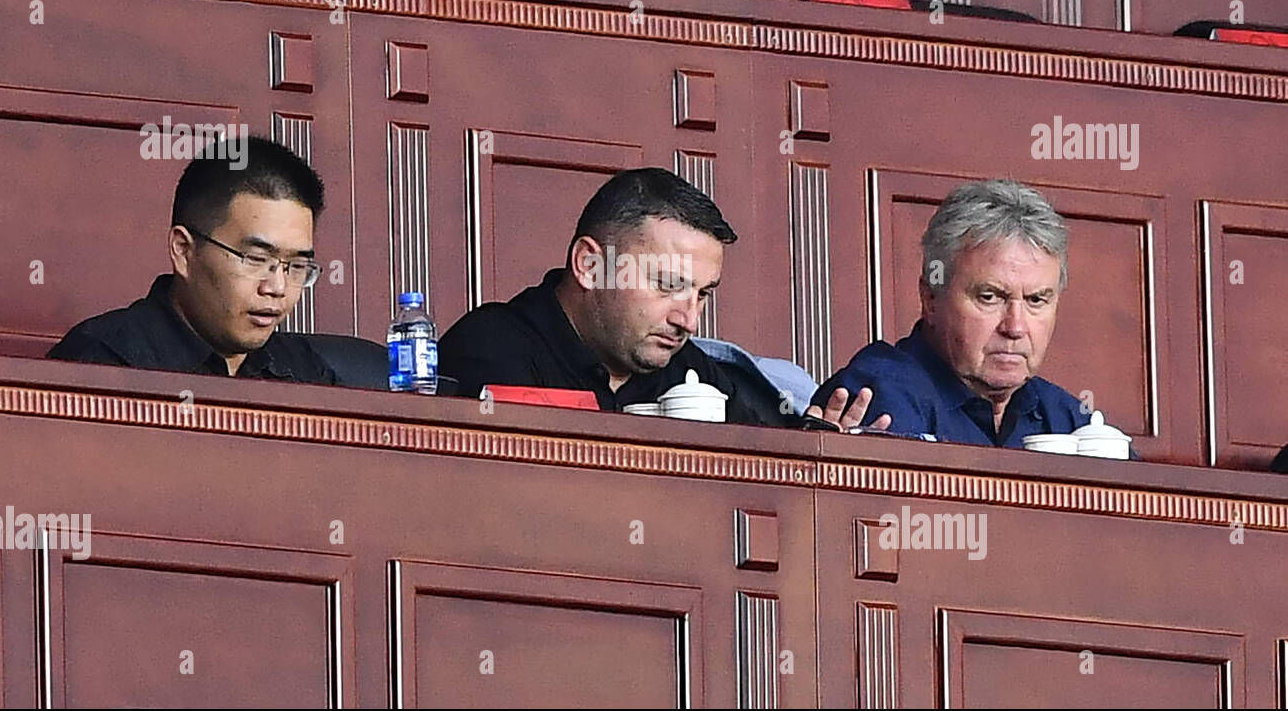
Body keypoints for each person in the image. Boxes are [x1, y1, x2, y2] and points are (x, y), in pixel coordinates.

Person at [441, 168, 827, 426]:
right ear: (590, 266)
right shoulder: (491, 346)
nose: (689, 321)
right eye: (667, 285)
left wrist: (819, 459)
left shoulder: (692, 369)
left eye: (703, 294)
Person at [807, 179, 1099, 448]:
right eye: (990, 297)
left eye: (1036, 300)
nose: (1016, 327)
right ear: (931, 298)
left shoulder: (1066, 420)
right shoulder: (882, 392)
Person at [48, 136, 337, 384]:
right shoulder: (104, 362)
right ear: (184, 250)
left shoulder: (303, 372)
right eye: (256, 259)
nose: (277, 287)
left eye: (297, 266)